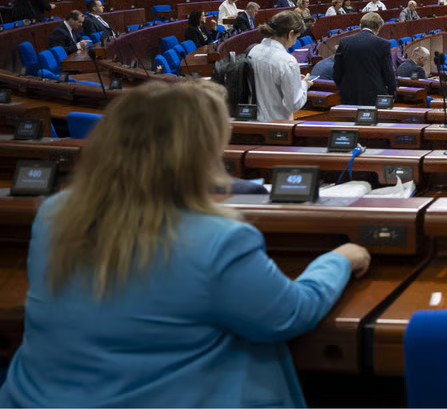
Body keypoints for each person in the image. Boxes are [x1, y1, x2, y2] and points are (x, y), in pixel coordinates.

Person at [0, 81, 370, 409]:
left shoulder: (55, 213)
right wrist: (340, 259)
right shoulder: (218, 239)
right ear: (199, 155)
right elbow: (289, 315)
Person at [249, 11, 315, 122]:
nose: (294, 42)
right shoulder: (287, 61)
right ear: (290, 34)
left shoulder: (253, 51)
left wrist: (293, 79)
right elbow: (294, 104)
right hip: (276, 124)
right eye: (296, 37)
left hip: (254, 122)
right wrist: (304, 85)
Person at [333, 12, 397, 107]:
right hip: (374, 94)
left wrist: (343, 87)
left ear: (360, 26)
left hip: (349, 94)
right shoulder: (383, 44)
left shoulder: (344, 42)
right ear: (378, 29)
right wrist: (392, 93)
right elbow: (388, 72)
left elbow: (337, 71)